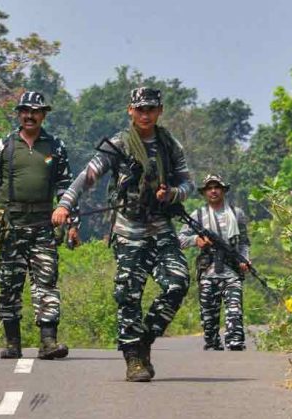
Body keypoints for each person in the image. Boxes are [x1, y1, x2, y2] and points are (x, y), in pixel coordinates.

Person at [52, 87, 194, 382]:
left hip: (161, 228)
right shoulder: (119, 144)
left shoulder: (169, 145)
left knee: (178, 283)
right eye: (140, 109)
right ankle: (133, 359)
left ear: (159, 111)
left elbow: (188, 184)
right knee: (129, 295)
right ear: (130, 110)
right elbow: (87, 176)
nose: (145, 114)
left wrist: (173, 194)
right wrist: (66, 204)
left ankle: (144, 340)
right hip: (129, 231)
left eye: (150, 109)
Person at [0, 91, 80, 360]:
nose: (29, 116)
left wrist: (72, 221)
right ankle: (12, 343)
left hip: (44, 226)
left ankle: (48, 342)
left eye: (35, 111)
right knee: (9, 284)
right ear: (19, 114)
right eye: (24, 111)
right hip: (12, 226)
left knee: (46, 283)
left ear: (44, 115)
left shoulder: (55, 147)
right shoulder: (5, 146)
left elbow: (67, 187)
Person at [178, 174, 250, 351]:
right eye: (209, 188)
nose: (213, 191)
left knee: (234, 311)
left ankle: (235, 343)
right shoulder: (198, 215)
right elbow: (179, 239)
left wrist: (245, 260)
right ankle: (212, 341)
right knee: (208, 318)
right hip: (208, 271)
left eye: (216, 187)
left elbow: (244, 242)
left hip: (231, 271)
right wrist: (196, 240)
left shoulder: (236, 213)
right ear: (204, 193)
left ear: (223, 190)